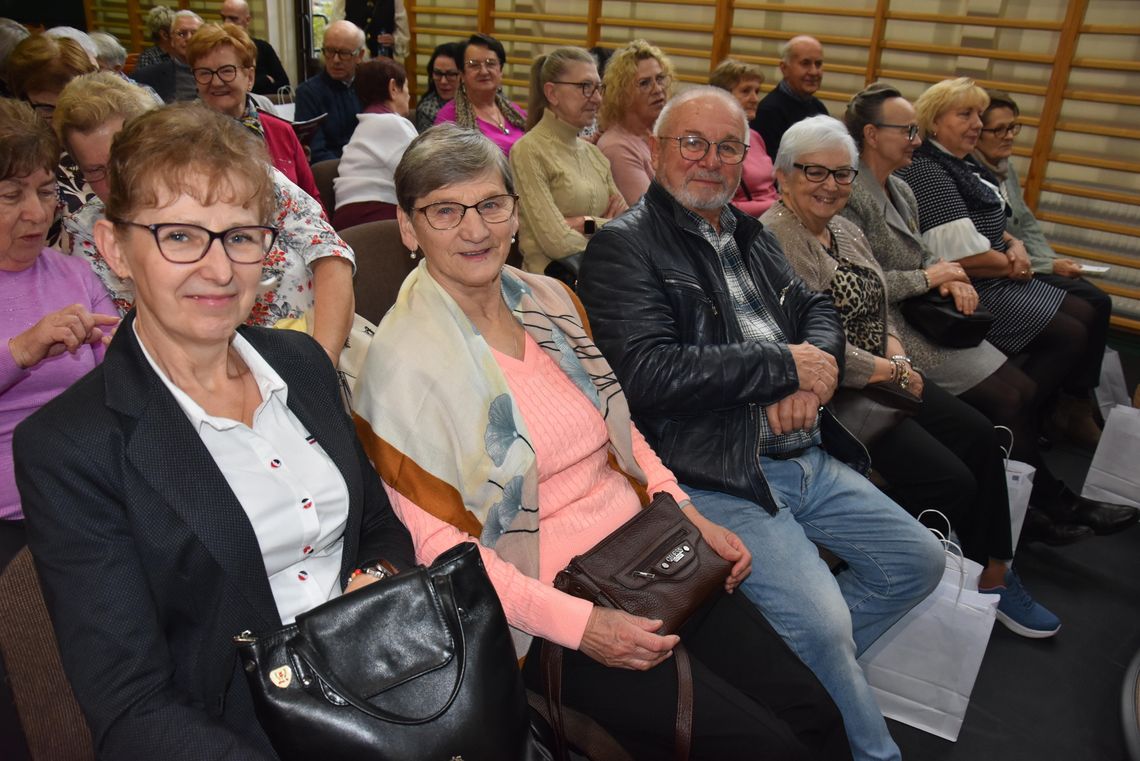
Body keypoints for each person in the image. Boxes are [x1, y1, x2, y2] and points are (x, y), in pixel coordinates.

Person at [352, 123, 852, 760]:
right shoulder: (402, 369)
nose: (474, 230)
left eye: (490, 204)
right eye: (445, 211)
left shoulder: (550, 300)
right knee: (769, 748)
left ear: (514, 212)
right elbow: (447, 557)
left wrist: (691, 518)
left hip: (655, 557)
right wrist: (585, 628)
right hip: (550, 612)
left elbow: (623, 431)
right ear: (407, 226)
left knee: (814, 714)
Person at [14, 103, 416, 759]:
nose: (220, 268)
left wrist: (375, 580)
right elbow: (133, 707)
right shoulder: (71, 448)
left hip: (383, 687)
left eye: (239, 235)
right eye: (179, 236)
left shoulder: (303, 365)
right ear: (115, 248)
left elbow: (378, 526)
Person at [578, 86, 945, 761]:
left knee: (917, 562)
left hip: (805, 452)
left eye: (728, 146)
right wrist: (784, 366)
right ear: (657, 151)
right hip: (719, 471)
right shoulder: (625, 249)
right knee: (827, 624)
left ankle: (792, 677)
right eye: (692, 142)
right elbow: (649, 374)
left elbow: (818, 309)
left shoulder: (746, 229)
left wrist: (817, 372)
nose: (711, 161)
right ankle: (869, 748)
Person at [762, 115, 1059, 637]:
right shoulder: (773, 238)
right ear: (784, 176)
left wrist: (897, 357)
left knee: (981, 438)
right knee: (948, 478)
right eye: (814, 172)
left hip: (882, 372)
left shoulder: (847, 230)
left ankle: (994, 572)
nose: (830, 186)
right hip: (829, 390)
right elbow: (803, 343)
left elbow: (879, 304)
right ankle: (893, 577)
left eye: (841, 174)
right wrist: (884, 370)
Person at [839, 82, 1092, 546]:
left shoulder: (900, 187)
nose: (916, 139)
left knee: (1024, 387)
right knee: (1009, 399)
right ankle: (1031, 508)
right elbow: (866, 286)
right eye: (907, 130)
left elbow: (920, 257)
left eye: (917, 130)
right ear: (872, 135)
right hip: (890, 328)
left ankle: (1029, 500)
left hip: (921, 315)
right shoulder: (851, 193)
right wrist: (935, 277)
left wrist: (949, 275)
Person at [896, 77, 1136, 536]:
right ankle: (1042, 486)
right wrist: (1009, 258)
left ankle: (1040, 456)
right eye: (965, 115)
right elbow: (960, 256)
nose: (977, 125)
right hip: (955, 297)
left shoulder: (961, 165)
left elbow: (995, 221)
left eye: (978, 116)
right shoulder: (926, 171)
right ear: (932, 122)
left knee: (1084, 317)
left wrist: (1012, 244)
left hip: (973, 281)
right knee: (1058, 345)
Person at [54, 74, 356, 363]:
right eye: (96, 171)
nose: (115, 180)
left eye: (124, 160)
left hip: (315, 348)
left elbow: (331, 257)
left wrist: (321, 365)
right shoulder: (88, 236)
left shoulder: (245, 178)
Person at [0, 98, 117, 569]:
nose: (37, 213)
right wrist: (21, 351)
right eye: (11, 196)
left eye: (47, 191)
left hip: (88, 501)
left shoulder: (74, 275)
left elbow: (122, 374)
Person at [974, 89, 1111, 448]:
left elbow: (1025, 223)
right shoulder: (970, 173)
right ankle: (1054, 408)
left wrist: (1051, 263)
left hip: (1023, 263)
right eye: (998, 129)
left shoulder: (1006, 170)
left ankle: (1068, 402)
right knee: (1085, 311)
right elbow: (983, 243)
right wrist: (1048, 265)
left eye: (1013, 128)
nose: (1007, 137)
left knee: (1095, 301)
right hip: (996, 272)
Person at [509, 47, 626, 275]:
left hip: (599, 280)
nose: (598, 98)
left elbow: (629, 225)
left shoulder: (594, 155)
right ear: (552, 93)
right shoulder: (528, 151)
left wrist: (585, 223)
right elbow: (557, 242)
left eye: (599, 88)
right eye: (585, 87)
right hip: (550, 290)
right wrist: (605, 224)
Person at [188, 23, 322, 208]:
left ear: (249, 78)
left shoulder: (281, 131)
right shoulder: (184, 138)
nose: (216, 82)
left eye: (227, 71)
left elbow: (313, 200)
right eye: (204, 73)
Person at [5, 32, 99, 247]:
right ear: (22, 100)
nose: (59, 120)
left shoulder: (104, 138)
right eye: (47, 109)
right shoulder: (14, 155)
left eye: (71, 106)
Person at [332, 57, 417, 230]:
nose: (409, 94)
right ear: (393, 88)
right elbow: (424, 176)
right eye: (406, 86)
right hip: (376, 220)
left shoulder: (366, 125)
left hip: (347, 220)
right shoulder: (392, 124)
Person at [596, 39, 674, 206]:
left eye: (660, 79)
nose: (658, 89)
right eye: (645, 83)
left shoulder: (662, 134)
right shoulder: (617, 147)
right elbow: (651, 214)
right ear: (622, 94)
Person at [434, 33, 527, 155]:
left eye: (491, 63)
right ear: (462, 74)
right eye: (474, 65)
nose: (483, 71)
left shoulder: (515, 112)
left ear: (501, 70)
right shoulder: (449, 119)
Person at [709, 58, 777, 216]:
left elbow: (770, 190)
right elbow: (719, 207)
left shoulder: (755, 137)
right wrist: (779, 206)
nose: (755, 99)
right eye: (746, 91)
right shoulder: (716, 143)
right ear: (723, 96)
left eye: (757, 91)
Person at [294, 20, 365, 163]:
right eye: (330, 51)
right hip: (331, 173)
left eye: (344, 53)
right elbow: (316, 153)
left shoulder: (369, 86)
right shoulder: (308, 93)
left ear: (360, 55)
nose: (336, 60)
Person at [753, 35, 827, 161]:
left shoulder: (819, 108)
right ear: (784, 68)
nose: (814, 72)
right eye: (805, 63)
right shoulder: (769, 112)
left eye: (818, 64)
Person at [219, 0, 290, 95]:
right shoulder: (217, 50)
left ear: (247, 20)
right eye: (223, 18)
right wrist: (264, 81)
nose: (227, 23)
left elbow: (284, 88)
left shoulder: (263, 48)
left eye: (233, 19)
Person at [132, 10, 202, 103]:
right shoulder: (146, 76)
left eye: (194, 33)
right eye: (181, 34)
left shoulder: (219, 71)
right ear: (172, 40)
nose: (189, 38)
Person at [333, 0, 409, 60]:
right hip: (351, 65)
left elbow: (403, 36)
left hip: (383, 65)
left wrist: (394, 40)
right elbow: (335, 32)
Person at [414, 41, 462, 132]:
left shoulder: (478, 101)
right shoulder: (427, 110)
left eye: (451, 74)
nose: (443, 81)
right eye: (438, 73)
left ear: (464, 75)